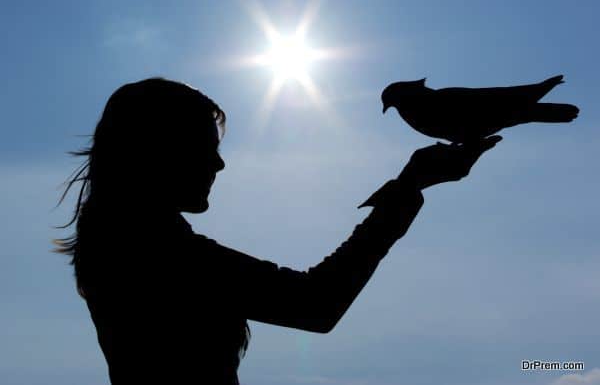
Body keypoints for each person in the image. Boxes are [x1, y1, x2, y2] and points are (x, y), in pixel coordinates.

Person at [52, 77, 501, 385]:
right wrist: (409, 188)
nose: (219, 163)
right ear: (160, 152)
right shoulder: (154, 252)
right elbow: (316, 304)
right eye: (205, 149)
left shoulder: (117, 242)